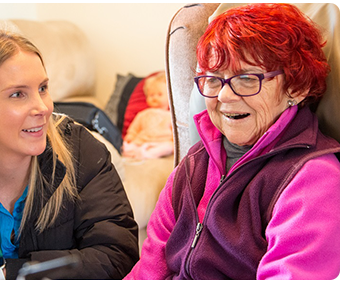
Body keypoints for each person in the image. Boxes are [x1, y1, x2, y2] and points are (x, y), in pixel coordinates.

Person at [124, 3, 342, 280]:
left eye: (246, 79)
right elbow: (148, 269)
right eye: (213, 80)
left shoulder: (313, 178)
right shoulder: (193, 163)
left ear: (296, 87)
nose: (224, 96)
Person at [0, 26, 139, 280]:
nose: (43, 108)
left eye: (43, 88)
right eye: (18, 94)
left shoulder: (79, 149)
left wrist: (3, 276)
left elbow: (119, 254)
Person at [122, 71, 174, 159]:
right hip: (141, 142)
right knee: (127, 146)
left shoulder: (171, 116)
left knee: (169, 147)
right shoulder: (143, 114)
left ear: (170, 97)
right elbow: (134, 128)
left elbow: (174, 134)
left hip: (160, 143)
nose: (155, 98)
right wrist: (130, 136)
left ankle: (145, 154)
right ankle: (137, 152)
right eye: (151, 95)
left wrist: (173, 142)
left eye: (159, 94)